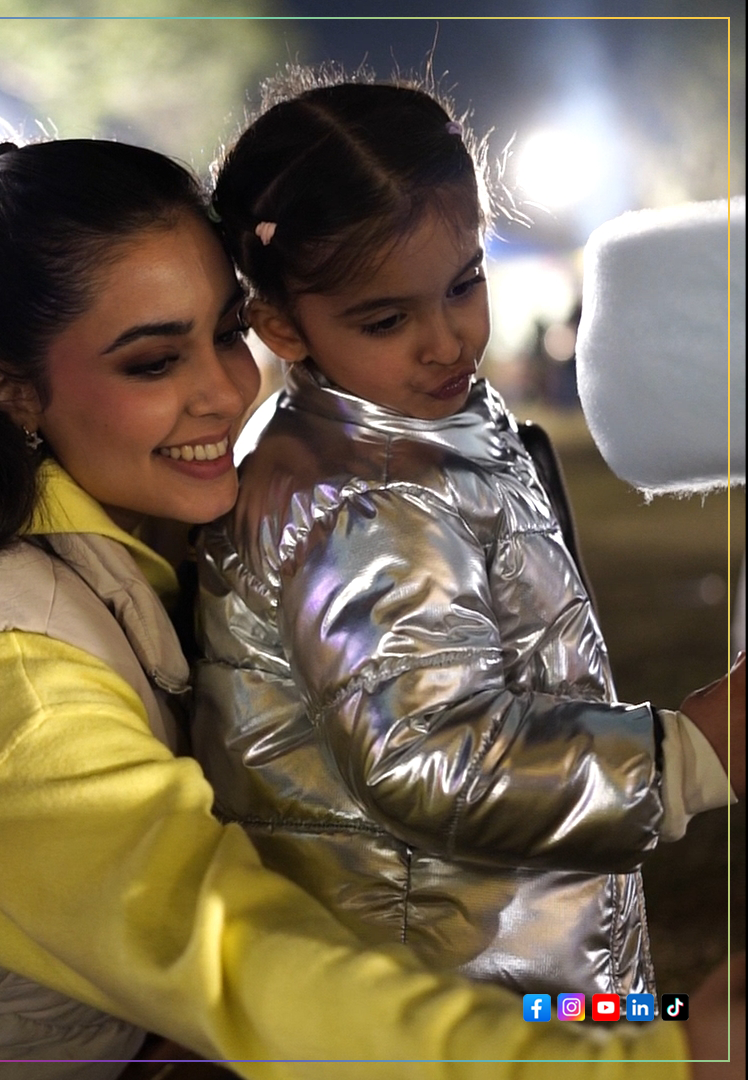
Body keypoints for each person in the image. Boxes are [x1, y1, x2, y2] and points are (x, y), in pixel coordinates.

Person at [0, 138, 734, 1079]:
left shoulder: (135, 544)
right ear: (13, 392)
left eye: (226, 333)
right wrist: (657, 1059)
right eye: (152, 360)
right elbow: (239, 960)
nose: (226, 390)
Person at [195, 73, 744, 1004]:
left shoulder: (423, 431)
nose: (446, 341)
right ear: (281, 326)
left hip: (500, 939)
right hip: (445, 989)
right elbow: (429, 757)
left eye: (464, 284)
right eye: (386, 319)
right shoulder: (365, 502)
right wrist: (692, 752)